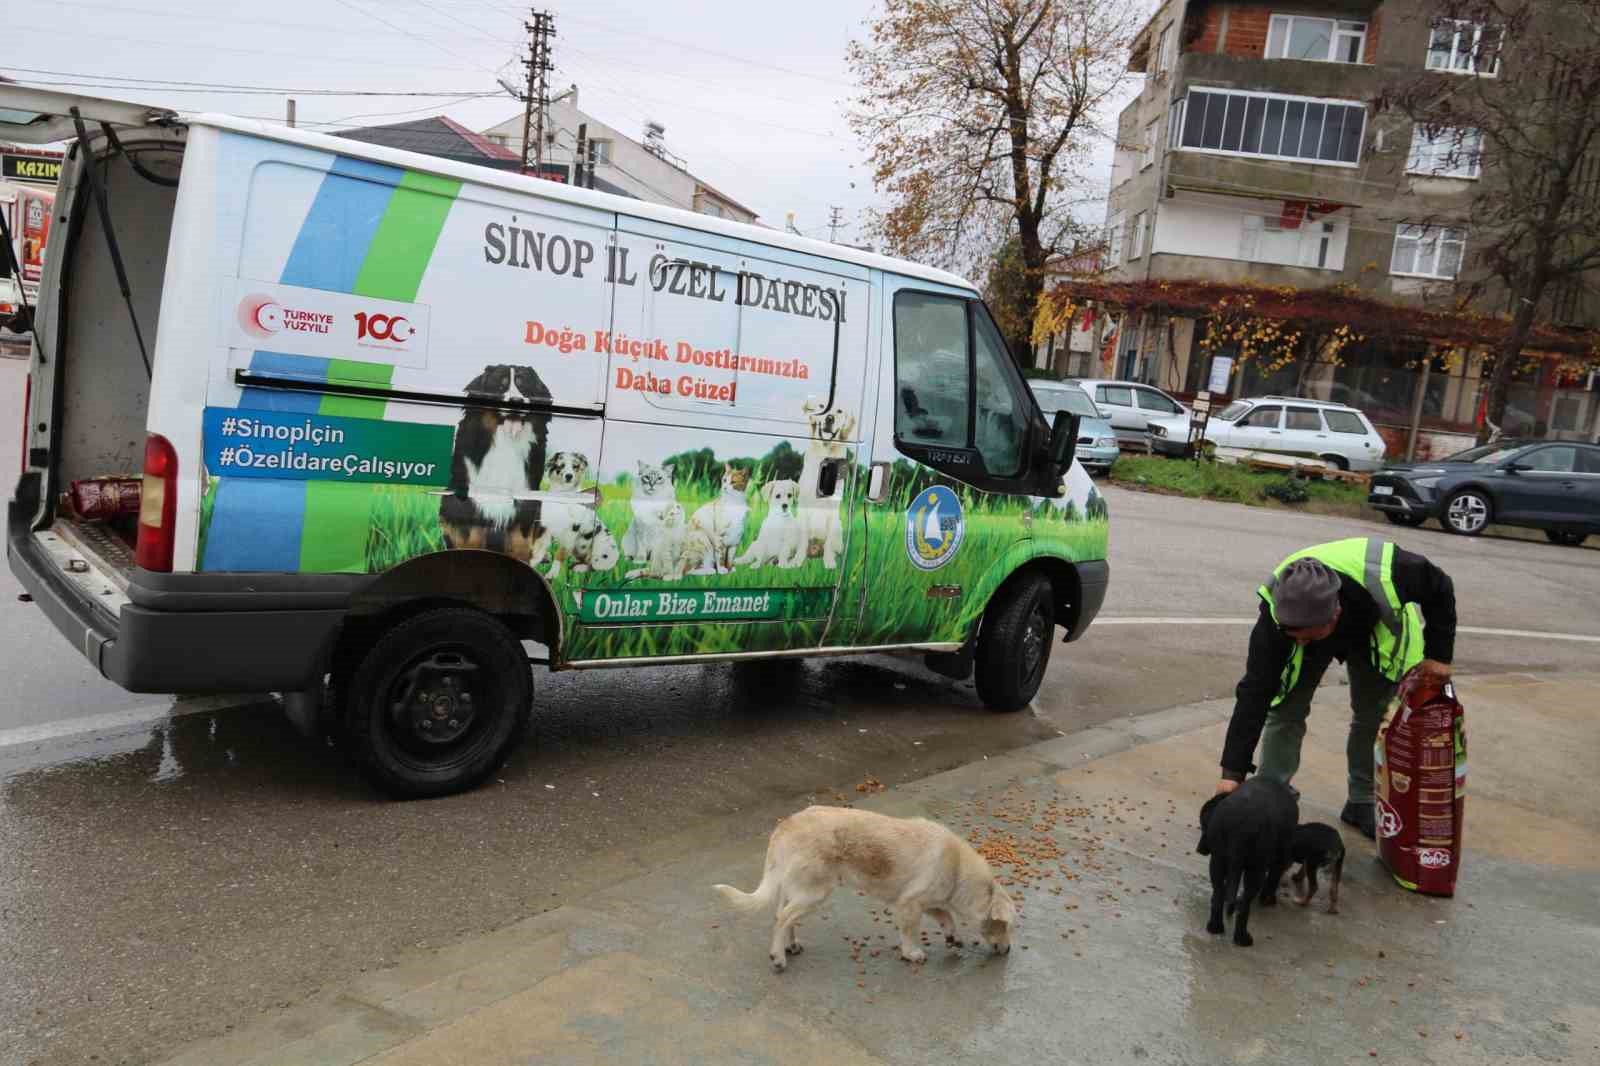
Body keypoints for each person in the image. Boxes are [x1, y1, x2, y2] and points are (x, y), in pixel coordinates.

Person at [1215, 538, 1456, 838]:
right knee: (1286, 709)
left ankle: (1362, 800)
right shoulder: (1278, 623)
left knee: (1372, 716)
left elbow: (1441, 587)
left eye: (1306, 636)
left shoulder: (1394, 571)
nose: (1299, 643)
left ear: (1334, 616)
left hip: (1375, 625)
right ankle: (1271, 798)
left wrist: (1439, 657)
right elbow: (1254, 694)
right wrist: (1231, 773)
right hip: (1315, 625)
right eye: (1295, 636)